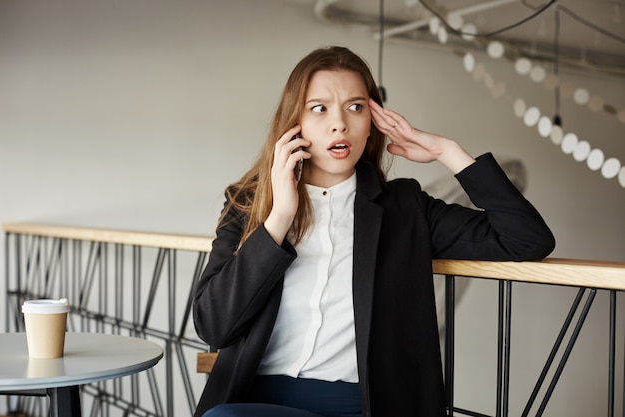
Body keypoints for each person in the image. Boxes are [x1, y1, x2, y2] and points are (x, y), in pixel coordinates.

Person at [192, 46, 555, 417]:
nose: (340, 124)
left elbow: (528, 238)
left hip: (357, 406)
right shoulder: (248, 203)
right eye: (320, 108)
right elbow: (213, 326)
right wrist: (281, 216)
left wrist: (447, 151)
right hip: (255, 399)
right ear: (294, 122)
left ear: (373, 122)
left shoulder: (405, 209)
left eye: (355, 107)